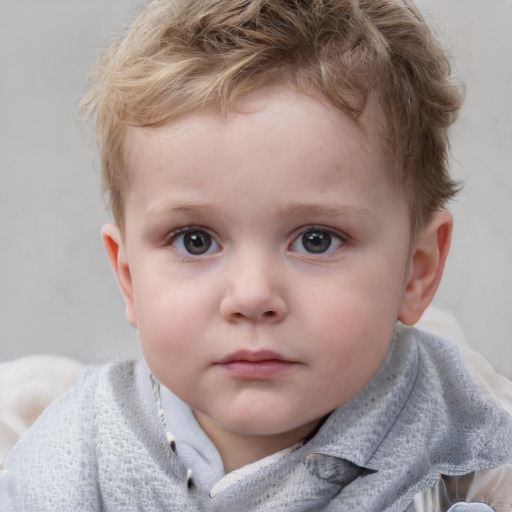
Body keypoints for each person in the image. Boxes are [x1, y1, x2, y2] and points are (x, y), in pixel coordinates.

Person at [1, 0, 511, 510]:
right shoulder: (73, 453)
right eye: (195, 240)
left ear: (416, 271)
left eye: (316, 239)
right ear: (129, 277)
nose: (252, 296)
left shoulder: (462, 426)